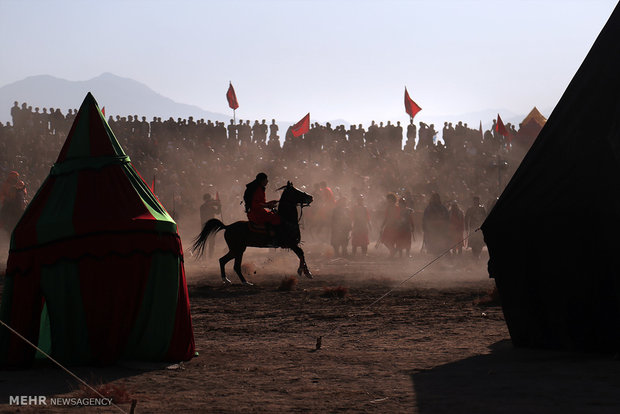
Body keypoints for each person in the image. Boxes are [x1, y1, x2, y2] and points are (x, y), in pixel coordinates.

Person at [199, 193, 222, 257]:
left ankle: (210, 256)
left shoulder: (210, 207)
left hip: (211, 226)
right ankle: (204, 256)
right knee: (205, 242)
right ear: (205, 200)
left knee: (211, 242)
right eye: (208, 200)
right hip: (205, 226)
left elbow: (217, 212)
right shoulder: (203, 207)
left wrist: (219, 206)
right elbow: (203, 216)